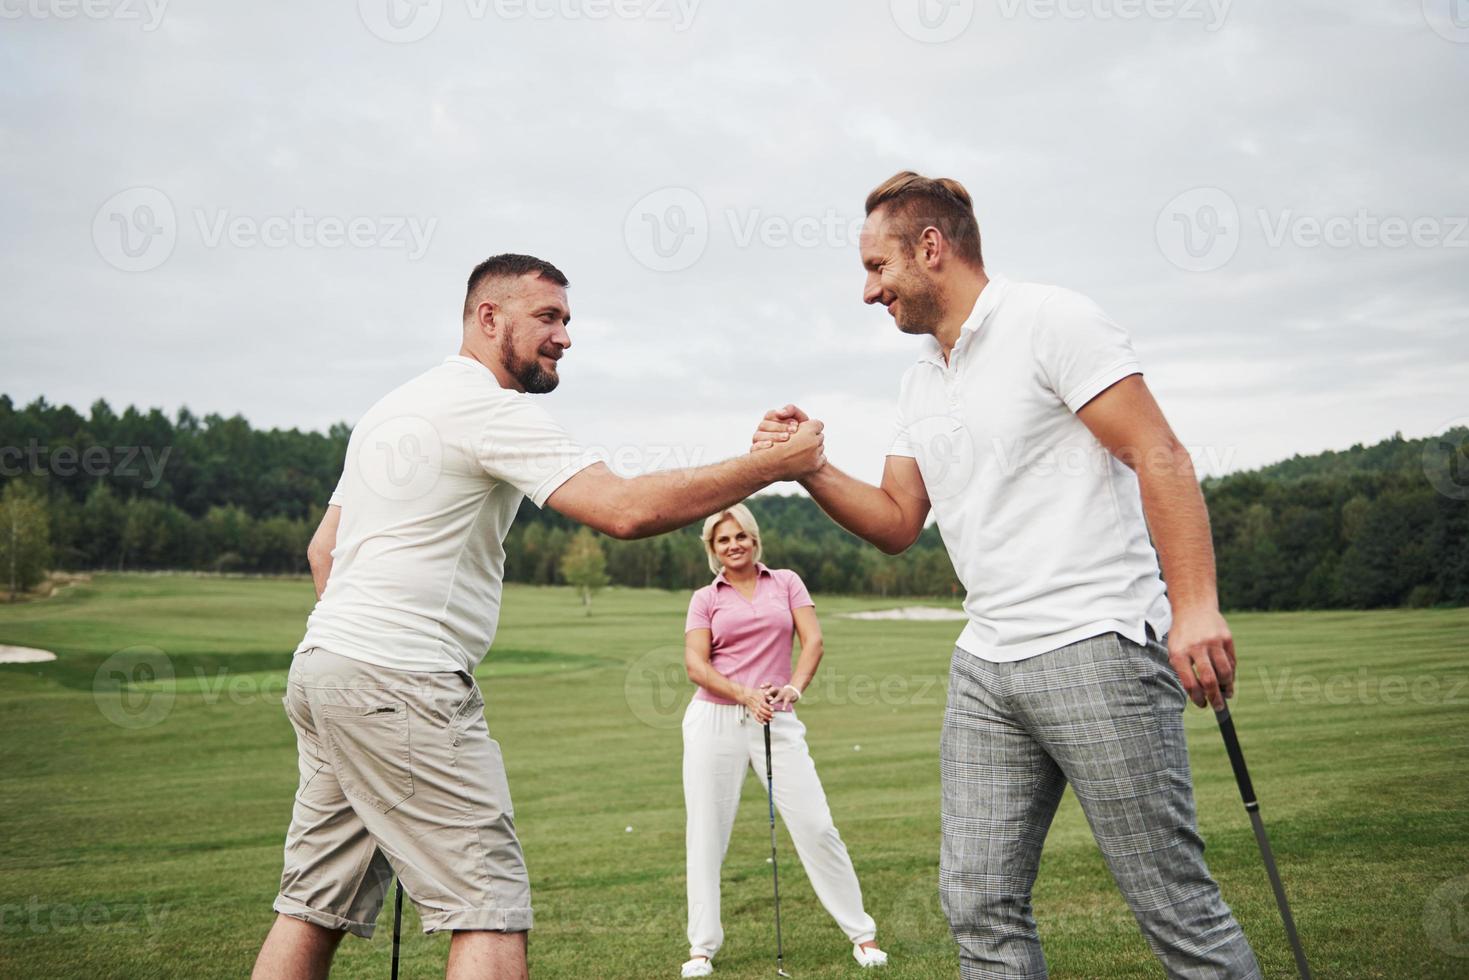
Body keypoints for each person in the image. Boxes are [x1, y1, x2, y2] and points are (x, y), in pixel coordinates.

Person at [251, 253, 826, 980]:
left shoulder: (391, 409)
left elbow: (322, 551)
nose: (565, 336)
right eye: (548, 318)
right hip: (403, 683)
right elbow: (624, 510)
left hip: (325, 671)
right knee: (487, 905)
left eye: (567, 320)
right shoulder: (490, 409)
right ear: (488, 318)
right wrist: (772, 466)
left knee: (312, 904)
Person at [750, 173, 1261, 979]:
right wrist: (808, 468)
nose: (867, 290)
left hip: (1096, 646)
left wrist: (1194, 606)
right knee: (978, 904)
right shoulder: (921, 376)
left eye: (877, 267)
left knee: (1172, 906)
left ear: (931, 248)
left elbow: (1157, 455)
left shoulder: (1051, 319)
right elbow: (894, 521)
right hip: (986, 664)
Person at [679, 503, 887, 978]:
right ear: (713, 550)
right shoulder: (704, 598)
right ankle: (701, 947)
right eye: (723, 540)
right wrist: (743, 694)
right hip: (715, 719)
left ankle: (862, 935)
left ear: (754, 540)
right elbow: (696, 665)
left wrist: (792, 687)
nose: (734, 545)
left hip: (778, 717)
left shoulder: (787, 582)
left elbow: (812, 641)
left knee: (816, 826)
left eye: (741, 537)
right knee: (707, 834)